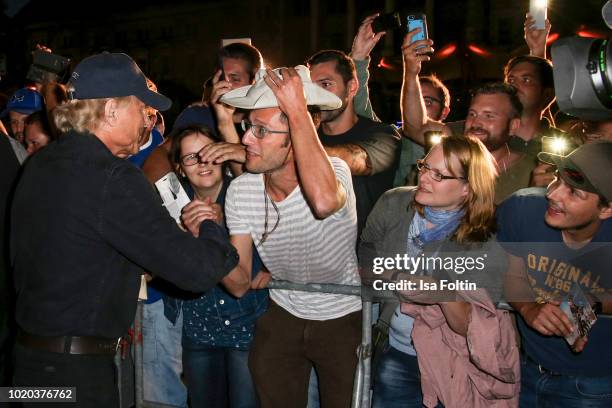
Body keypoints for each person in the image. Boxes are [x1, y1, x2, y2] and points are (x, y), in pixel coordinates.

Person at [10, 52, 238, 408]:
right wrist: (211, 224)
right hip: (75, 380)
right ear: (112, 110)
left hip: (28, 368)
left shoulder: (40, 164)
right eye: (142, 108)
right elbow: (197, 271)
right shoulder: (112, 177)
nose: (148, 118)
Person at [189, 65, 362, 408]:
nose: (246, 139)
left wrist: (299, 110)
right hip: (284, 313)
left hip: (342, 316)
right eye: (246, 127)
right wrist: (208, 239)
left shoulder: (336, 173)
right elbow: (238, 283)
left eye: (260, 130)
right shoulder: (241, 191)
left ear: (297, 133)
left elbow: (325, 202)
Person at [360, 136, 519, 407]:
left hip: (452, 360)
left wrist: (440, 293)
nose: (424, 178)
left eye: (439, 175)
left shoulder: (484, 240)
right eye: (424, 166)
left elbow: (468, 325)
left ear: (467, 189)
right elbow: (365, 254)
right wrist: (394, 275)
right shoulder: (394, 203)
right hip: (396, 351)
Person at [497, 142, 612, 407]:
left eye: (573, 192)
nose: (553, 194)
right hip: (526, 369)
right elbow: (512, 274)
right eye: (557, 179)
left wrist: (587, 304)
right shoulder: (522, 209)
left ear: (606, 209)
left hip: (595, 385)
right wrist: (528, 308)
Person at [168, 125, 268, 408]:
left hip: (246, 326)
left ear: (221, 155)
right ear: (180, 168)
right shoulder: (171, 204)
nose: (202, 163)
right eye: (191, 158)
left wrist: (216, 229)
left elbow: (280, 238)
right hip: (199, 328)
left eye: (207, 153)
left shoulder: (245, 192)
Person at [308, 50, 400, 236]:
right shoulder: (310, 136)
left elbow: (353, 160)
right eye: (310, 87)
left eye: (326, 84)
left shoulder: (383, 135)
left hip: (366, 254)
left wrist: (288, 150)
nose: (316, 95)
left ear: (351, 87)